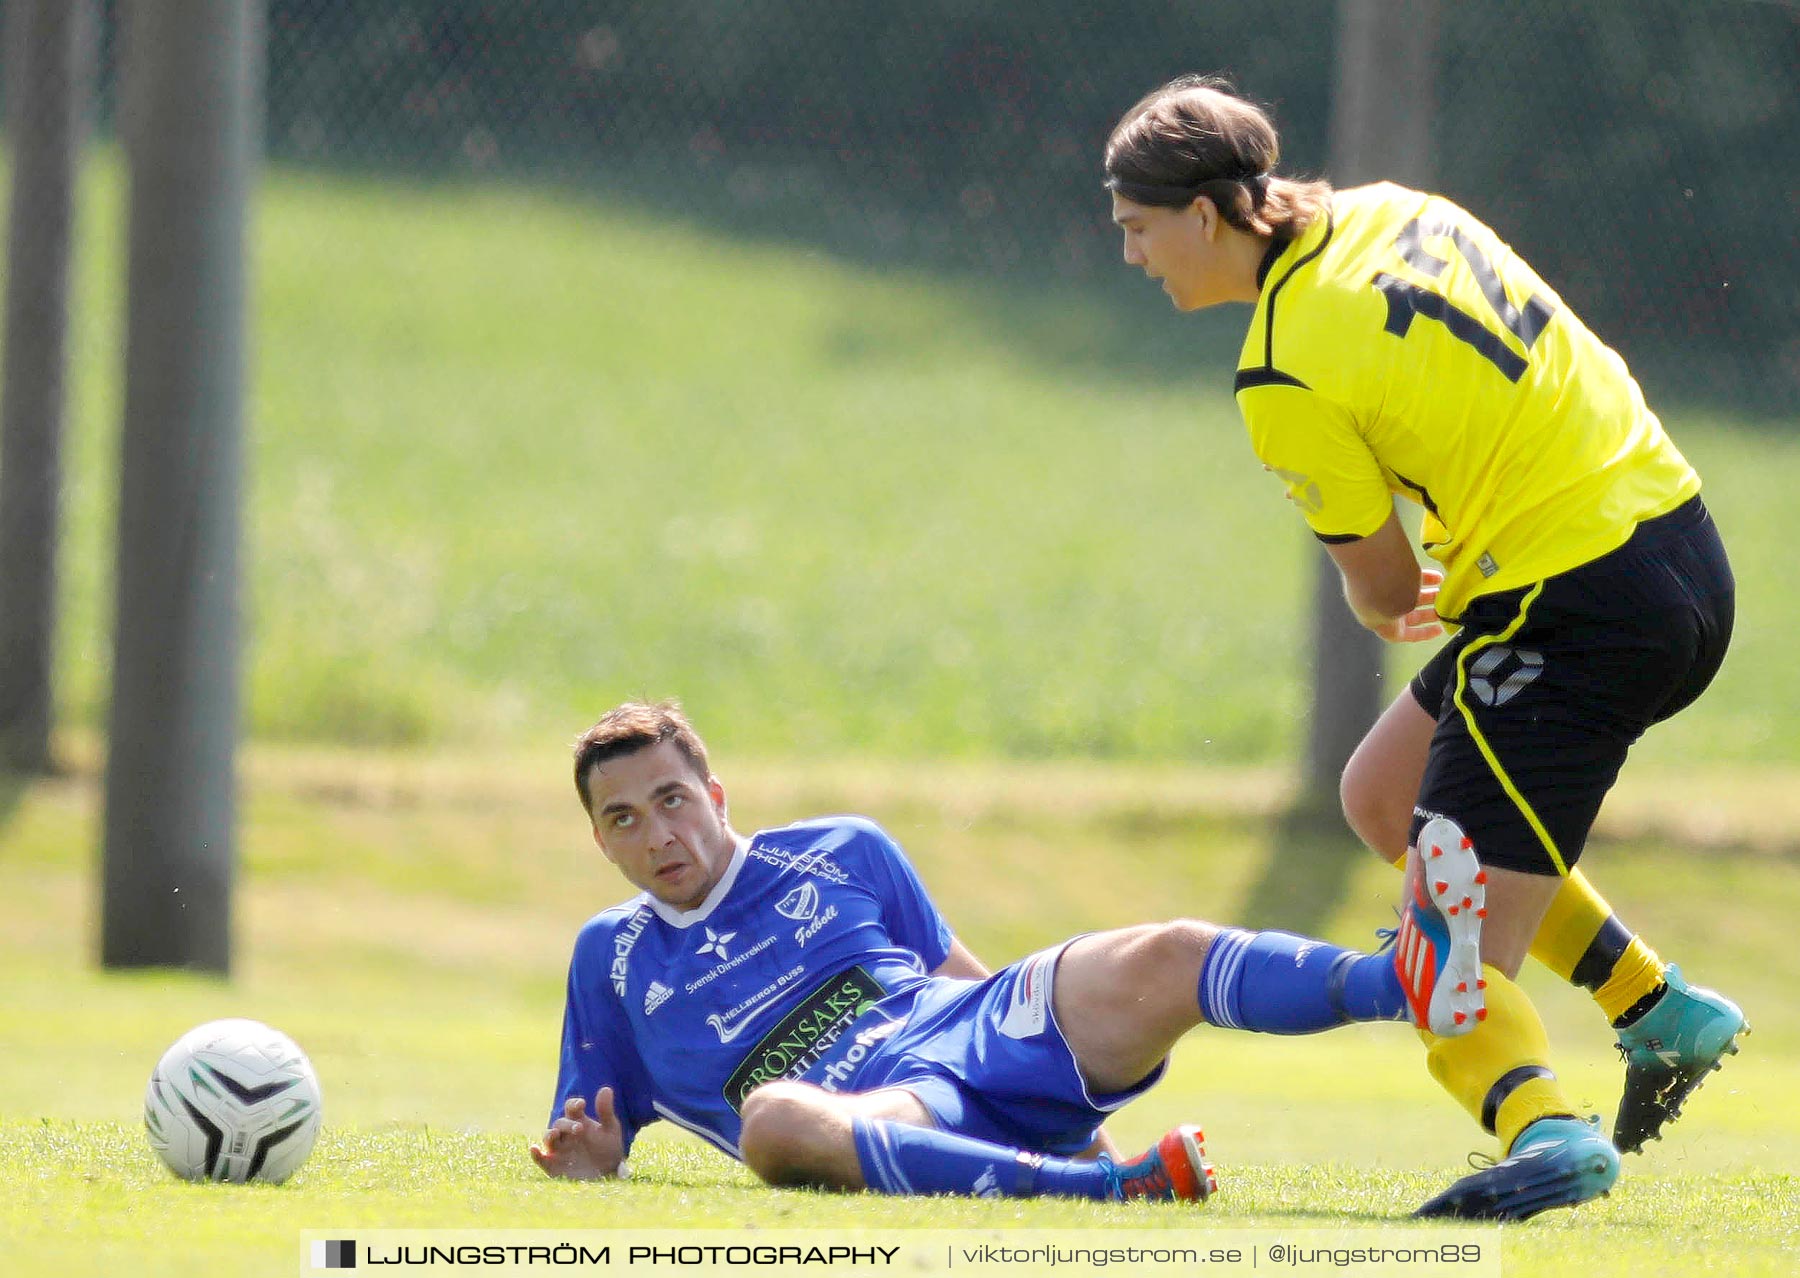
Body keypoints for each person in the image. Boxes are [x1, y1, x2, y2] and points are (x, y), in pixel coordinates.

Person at [1103, 75, 1748, 1219]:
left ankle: (1547, 1137)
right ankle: (1658, 1010)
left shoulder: (1281, 366)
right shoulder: (1396, 206)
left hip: (1571, 605)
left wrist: (1394, 602)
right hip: (1676, 543)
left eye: (1138, 229)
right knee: (1383, 792)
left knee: (1441, 957)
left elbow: (1389, 587)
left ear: (1206, 217)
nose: (1133, 257)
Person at [532, 700, 1446, 1202]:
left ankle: (1401, 979)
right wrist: (593, 1154)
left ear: (716, 794)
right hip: (886, 1107)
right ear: (601, 844)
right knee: (773, 1120)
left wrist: (1076, 1106)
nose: (658, 833)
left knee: (1166, 952)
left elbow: (968, 983)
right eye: (623, 819)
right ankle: (1111, 1194)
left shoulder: (842, 848)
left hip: (970, 1029)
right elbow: (593, 1131)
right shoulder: (610, 958)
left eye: (671, 799)